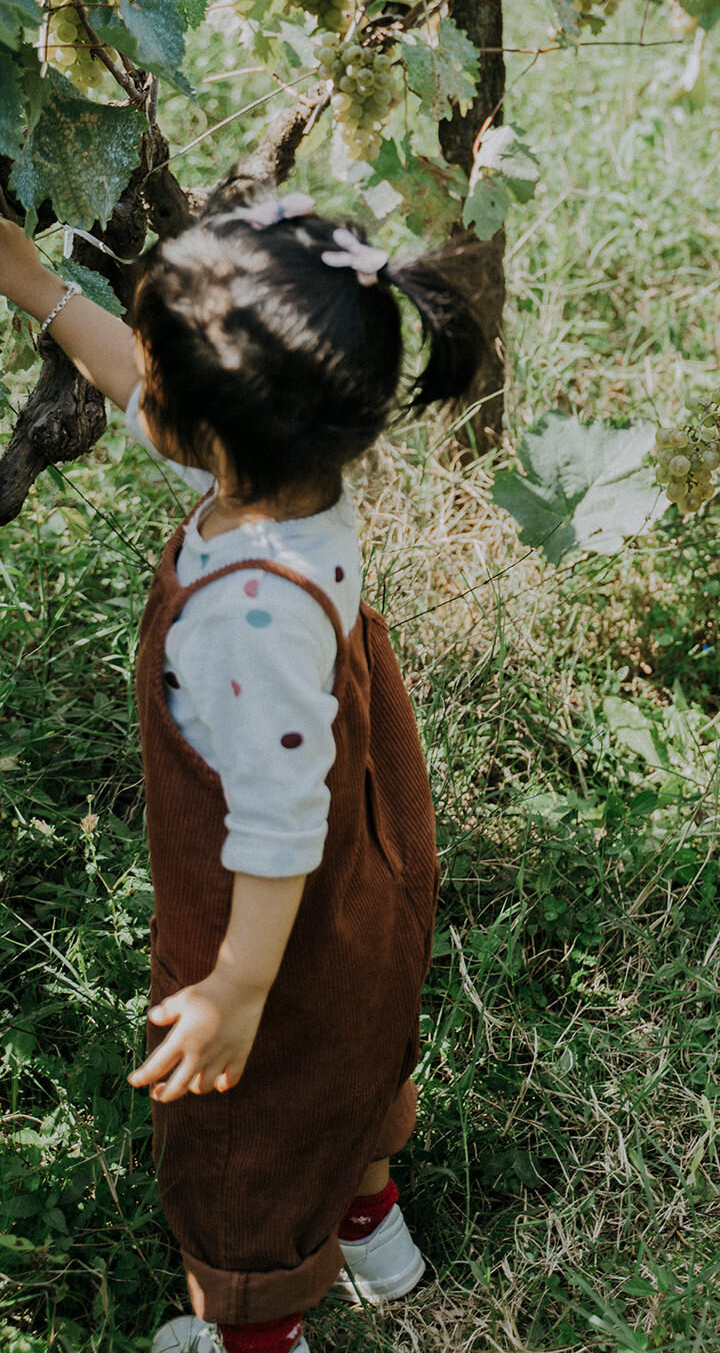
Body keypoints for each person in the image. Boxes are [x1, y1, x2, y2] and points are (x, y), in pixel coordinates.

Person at [0, 194, 484, 1353]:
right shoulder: (286, 490)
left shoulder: (247, 616)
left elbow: (272, 829)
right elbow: (142, 376)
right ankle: (374, 1232)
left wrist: (236, 991)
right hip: (366, 861)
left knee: (254, 1127)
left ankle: (260, 1330)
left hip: (276, 910)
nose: (140, 382)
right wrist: (27, 279)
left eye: (157, 376)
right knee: (351, 1051)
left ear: (207, 431)